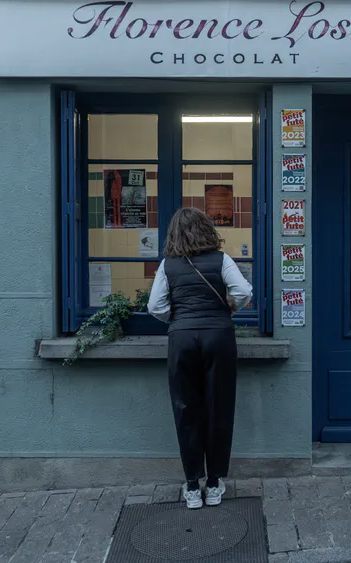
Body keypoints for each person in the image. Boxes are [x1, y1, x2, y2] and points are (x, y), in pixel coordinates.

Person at [147, 207, 252, 509]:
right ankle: (216, 483)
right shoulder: (222, 260)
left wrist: (177, 319)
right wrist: (228, 310)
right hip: (219, 337)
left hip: (182, 338)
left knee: (186, 409)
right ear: (207, 230)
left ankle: (193, 486)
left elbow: (155, 306)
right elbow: (244, 291)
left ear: (174, 234)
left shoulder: (168, 265)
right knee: (219, 408)